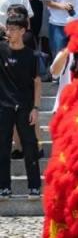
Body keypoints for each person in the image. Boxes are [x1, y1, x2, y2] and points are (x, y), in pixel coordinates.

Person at [0, 14, 41, 199]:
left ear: (23, 31)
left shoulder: (31, 55)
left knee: (30, 147)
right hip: (4, 106)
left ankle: (34, 186)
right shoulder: (1, 49)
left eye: (13, 29)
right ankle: (4, 187)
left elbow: (37, 82)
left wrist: (36, 108)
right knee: (2, 147)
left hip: (25, 106)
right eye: (8, 28)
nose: (9, 32)